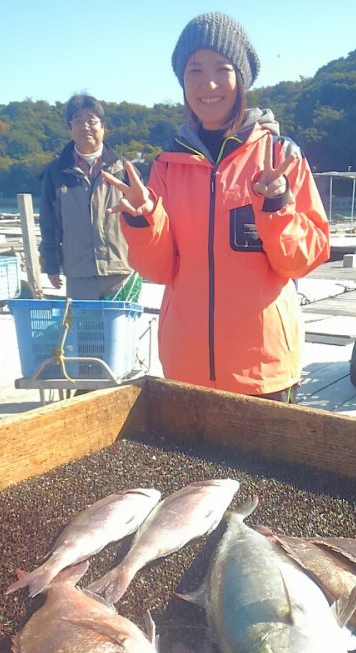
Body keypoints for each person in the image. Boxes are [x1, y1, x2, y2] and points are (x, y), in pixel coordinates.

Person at [104, 13, 330, 401]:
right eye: (194, 71)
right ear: (182, 82)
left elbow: (304, 258)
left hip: (265, 368)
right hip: (185, 365)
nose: (208, 84)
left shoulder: (279, 155)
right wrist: (143, 220)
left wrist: (276, 204)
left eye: (222, 69)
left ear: (241, 78)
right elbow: (158, 270)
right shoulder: (165, 166)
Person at [39, 94, 142, 301]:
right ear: (70, 128)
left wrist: (146, 260)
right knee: (86, 332)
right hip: (79, 273)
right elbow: (49, 223)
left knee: (120, 333)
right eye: (78, 120)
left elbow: (143, 217)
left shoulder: (124, 169)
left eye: (91, 120)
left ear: (103, 127)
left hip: (121, 269)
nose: (85, 126)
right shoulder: (56, 172)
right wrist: (51, 265)